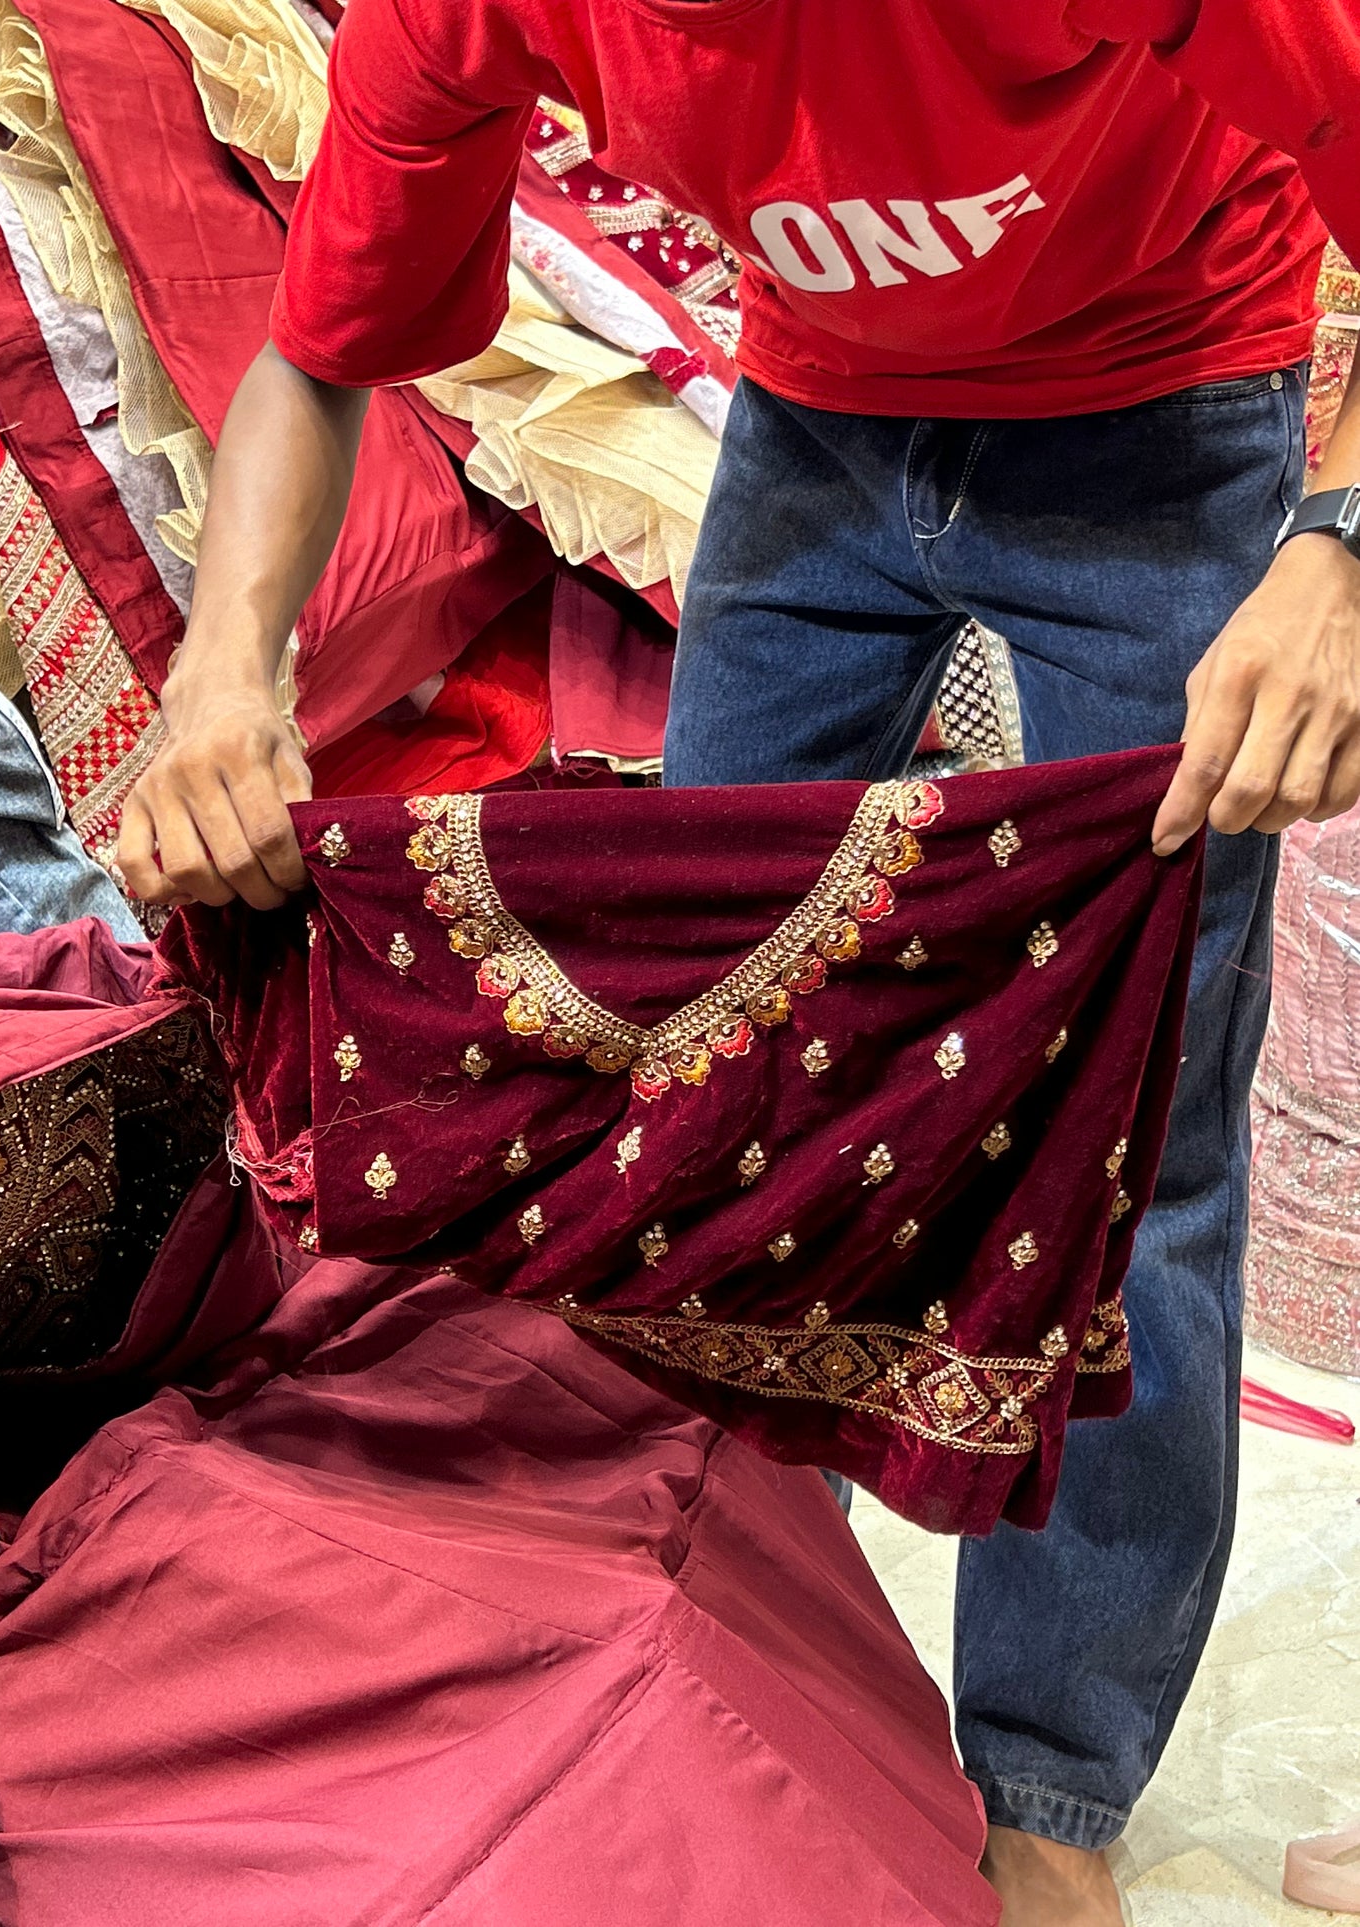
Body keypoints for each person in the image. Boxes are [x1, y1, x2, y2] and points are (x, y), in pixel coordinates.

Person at [114, 4, 1360, 1921]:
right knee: (680, 1070)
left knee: (1135, 1133)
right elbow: (323, 336)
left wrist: (1337, 543)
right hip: (817, 429)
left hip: (1161, 404)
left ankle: (1043, 1791)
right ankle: (688, 1655)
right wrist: (221, 670)